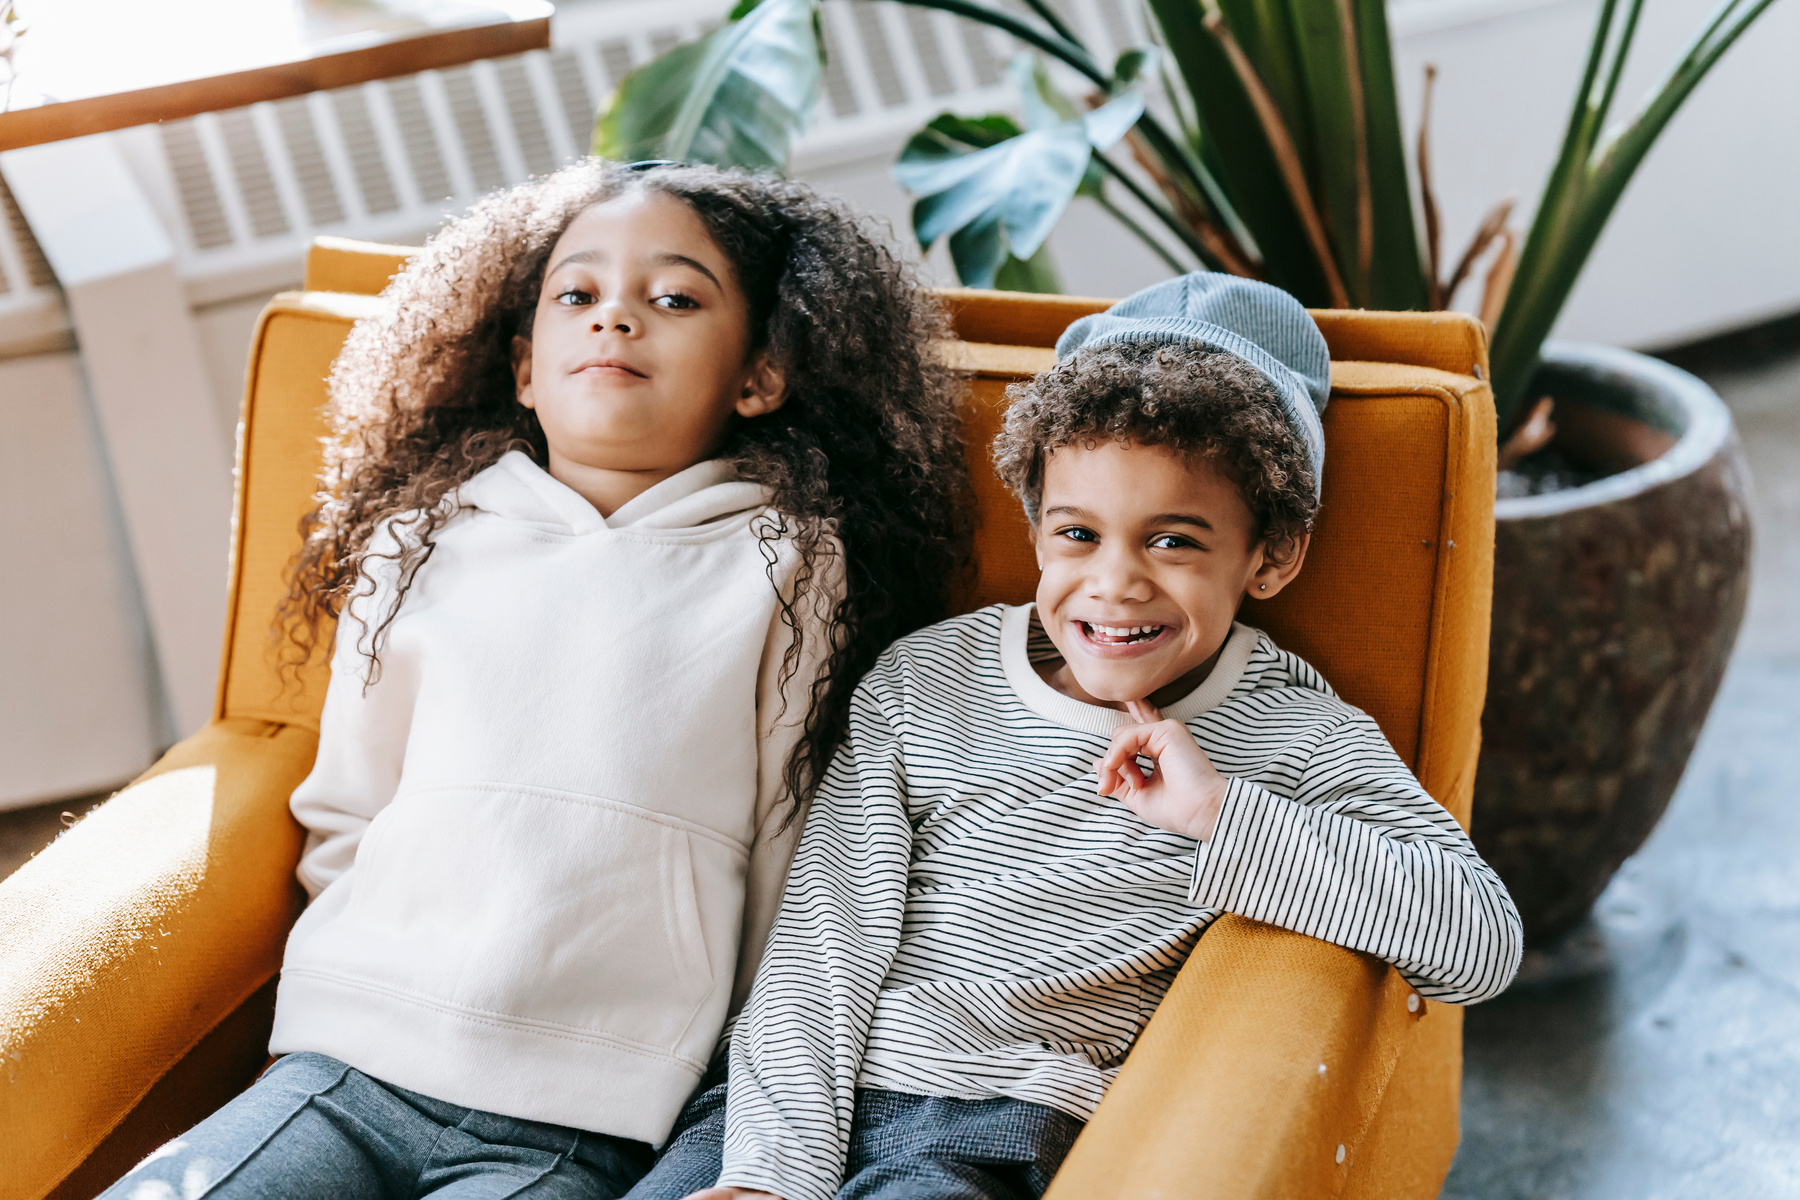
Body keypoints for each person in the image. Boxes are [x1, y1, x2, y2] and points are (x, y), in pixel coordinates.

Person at [102, 159, 968, 1200]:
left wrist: (726, 1083)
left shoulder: (788, 564)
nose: (615, 321)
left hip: (581, 1124)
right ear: (523, 366)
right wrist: (346, 990)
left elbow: (788, 841)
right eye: (579, 294)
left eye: (676, 298)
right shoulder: (421, 539)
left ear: (758, 377)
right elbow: (348, 805)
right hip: (349, 1065)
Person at [630, 274, 1524, 1200]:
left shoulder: (1295, 732)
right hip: (786, 1105)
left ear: (1273, 553)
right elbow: (824, 936)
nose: (1116, 584)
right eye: (1079, 535)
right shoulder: (928, 680)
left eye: (1173, 541)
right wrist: (773, 1174)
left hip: (997, 1124)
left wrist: (1219, 813)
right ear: (1037, 527)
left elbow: (1479, 941)